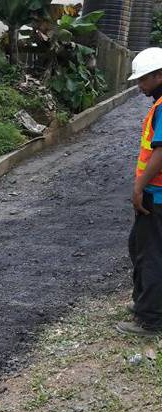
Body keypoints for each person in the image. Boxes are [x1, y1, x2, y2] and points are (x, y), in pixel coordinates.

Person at [118, 47, 162, 336]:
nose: (139, 86)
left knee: (151, 254)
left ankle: (151, 319)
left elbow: (160, 152)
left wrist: (138, 187)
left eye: (143, 80)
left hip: (156, 195)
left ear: (159, 75)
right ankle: (145, 303)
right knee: (140, 246)